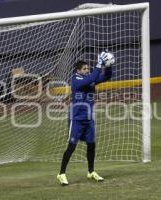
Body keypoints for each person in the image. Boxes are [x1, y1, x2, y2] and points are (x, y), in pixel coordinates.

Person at [57, 51, 113, 186]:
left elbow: (107, 76)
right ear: (78, 70)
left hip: (88, 119)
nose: (87, 70)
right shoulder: (76, 80)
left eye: (88, 68)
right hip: (76, 119)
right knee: (71, 147)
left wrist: (109, 65)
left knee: (91, 145)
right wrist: (99, 64)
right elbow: (91, 78)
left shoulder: (89, 79)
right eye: (85, 69)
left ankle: (91, 171)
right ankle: (61, 173)